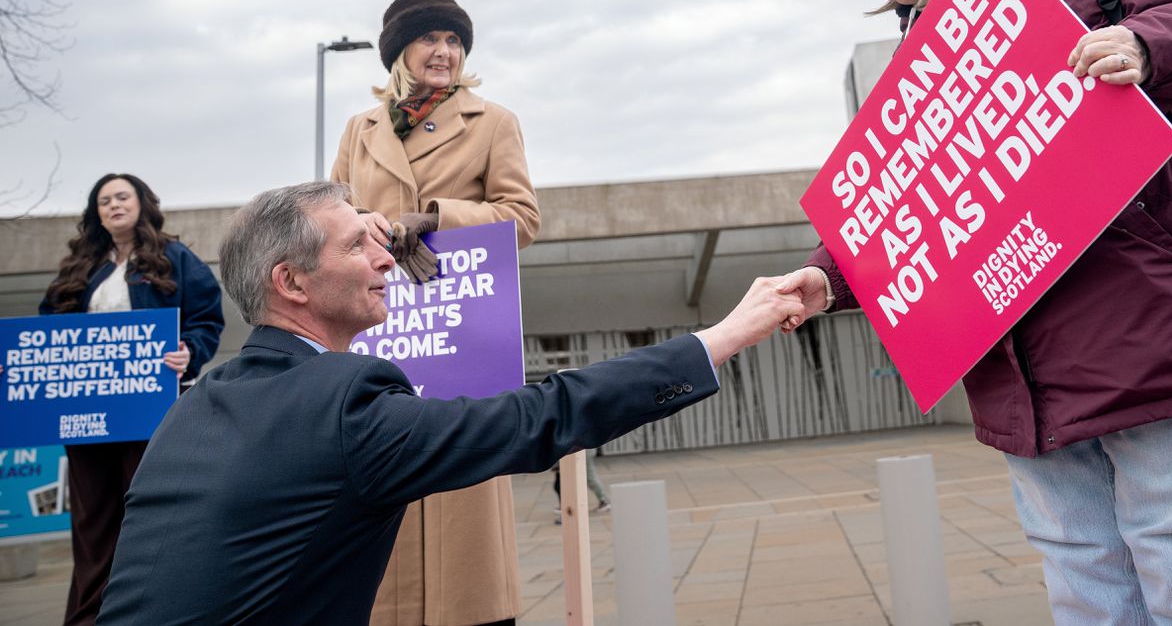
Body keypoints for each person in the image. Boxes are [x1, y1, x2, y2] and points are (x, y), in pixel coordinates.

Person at [776, 0, 1172, 625]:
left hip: (1153, 333)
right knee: (1087, 589)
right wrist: (828, 276)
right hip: (1027, 378)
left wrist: (1147, 47)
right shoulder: (920, 56)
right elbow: (909, 206)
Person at [95, 181, 802, 624]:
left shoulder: (192, 406)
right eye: (356, 246)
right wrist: (721, 337)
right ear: (293, 282)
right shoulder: (348, 404)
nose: (385, 258)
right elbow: (540, 416)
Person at [331, 0, 539, 626]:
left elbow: (522, 217)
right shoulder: (358, 130)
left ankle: (474, 611)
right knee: (387, 461)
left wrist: (439, 217)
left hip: (460, 318)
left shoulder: (493, 121)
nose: (444, 52)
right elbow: (331, 215)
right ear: (400, 52)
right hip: (388, 320)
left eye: (454, 41)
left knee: (461, 473)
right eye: (431, 39)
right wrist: (362, 229)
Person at [37, 173, 224, 625]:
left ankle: (152, 612)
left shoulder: (175, 258)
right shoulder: (78, 268)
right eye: (104, 200)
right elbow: (43, 333)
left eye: (122, 196)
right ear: (95, 213)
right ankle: (87, 618)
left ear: (142, 203)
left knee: (147, 518)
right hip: (86, 417)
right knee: (92, 527)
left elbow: (206, 319)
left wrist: (189, 352)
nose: (114, 205)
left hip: (149, 414)